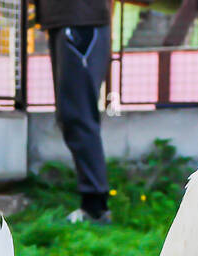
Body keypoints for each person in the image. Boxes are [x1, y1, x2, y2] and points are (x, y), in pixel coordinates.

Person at [37, 0, 113, 224]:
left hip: (81, 19)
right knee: (71, 115)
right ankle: (94, 204)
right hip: (67, 19)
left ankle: (95, 207)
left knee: (78, 114)